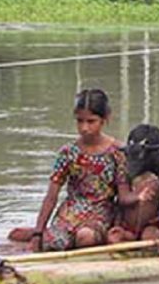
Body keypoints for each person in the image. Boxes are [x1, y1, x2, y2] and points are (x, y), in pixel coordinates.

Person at [8, 89, 146, 251]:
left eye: (90, 121)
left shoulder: (118, 152)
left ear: (105, 119)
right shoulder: (68, 152)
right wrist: (38, 233)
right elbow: (51, 196)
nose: (84, 128)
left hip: (101, 212)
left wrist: (139, 196)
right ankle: (41, 233)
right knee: (54, 243)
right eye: (80, 121)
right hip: (70, 212)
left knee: (85, 238)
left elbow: (123, 196)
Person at [106, 171, 159, 244]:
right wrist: (138, 196)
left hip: (150, 225)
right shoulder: (124, 172)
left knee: (150, 237)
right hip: (126, 226)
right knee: (114, 238)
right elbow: (123, 199)